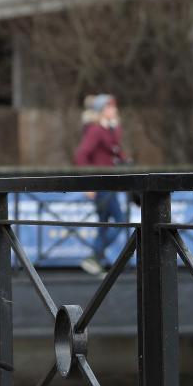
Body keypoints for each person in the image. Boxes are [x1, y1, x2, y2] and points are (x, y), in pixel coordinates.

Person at [73, 94, 130, 276]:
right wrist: (87, 183)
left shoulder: (111, 129)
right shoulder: (96, 130)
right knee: (120, 222)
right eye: (110, 107)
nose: (114, 110)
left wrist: (125, 161)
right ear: (101, 111)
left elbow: (116, 153)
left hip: (109, 181)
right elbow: (81, 155)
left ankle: (96, 261)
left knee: (104, 225)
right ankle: (95, 257)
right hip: (101, 183)